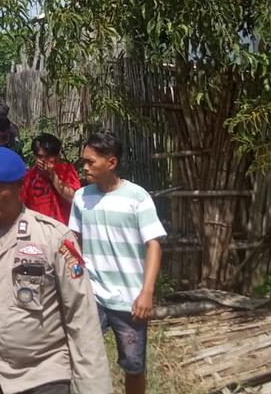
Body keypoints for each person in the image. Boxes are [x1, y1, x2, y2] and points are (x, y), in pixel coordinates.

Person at [0, 147, 110, 394]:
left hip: (44, 376)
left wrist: (93, 388)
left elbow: (81, 316)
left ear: (19, 186)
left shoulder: (53, 238)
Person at [69, 132, 166, 394]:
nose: (85, 167)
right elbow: (74, 242)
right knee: (78, 358)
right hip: (92, 297)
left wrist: (147, 292)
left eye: (90, 162)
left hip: (130, 300)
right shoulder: (81, 197)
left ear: (111, 162)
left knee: (134, 367)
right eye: (83, 162)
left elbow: (154, 244)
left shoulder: (137, 197)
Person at [22, 134, 81, 225]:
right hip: (37, 229)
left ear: (57, 157)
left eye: (48, 157)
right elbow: (22, 204)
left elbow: (73, 198)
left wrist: (52, 176)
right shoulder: (30, 175)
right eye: (40, 157)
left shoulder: (67, 170)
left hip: (62, 229)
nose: (44, 160)